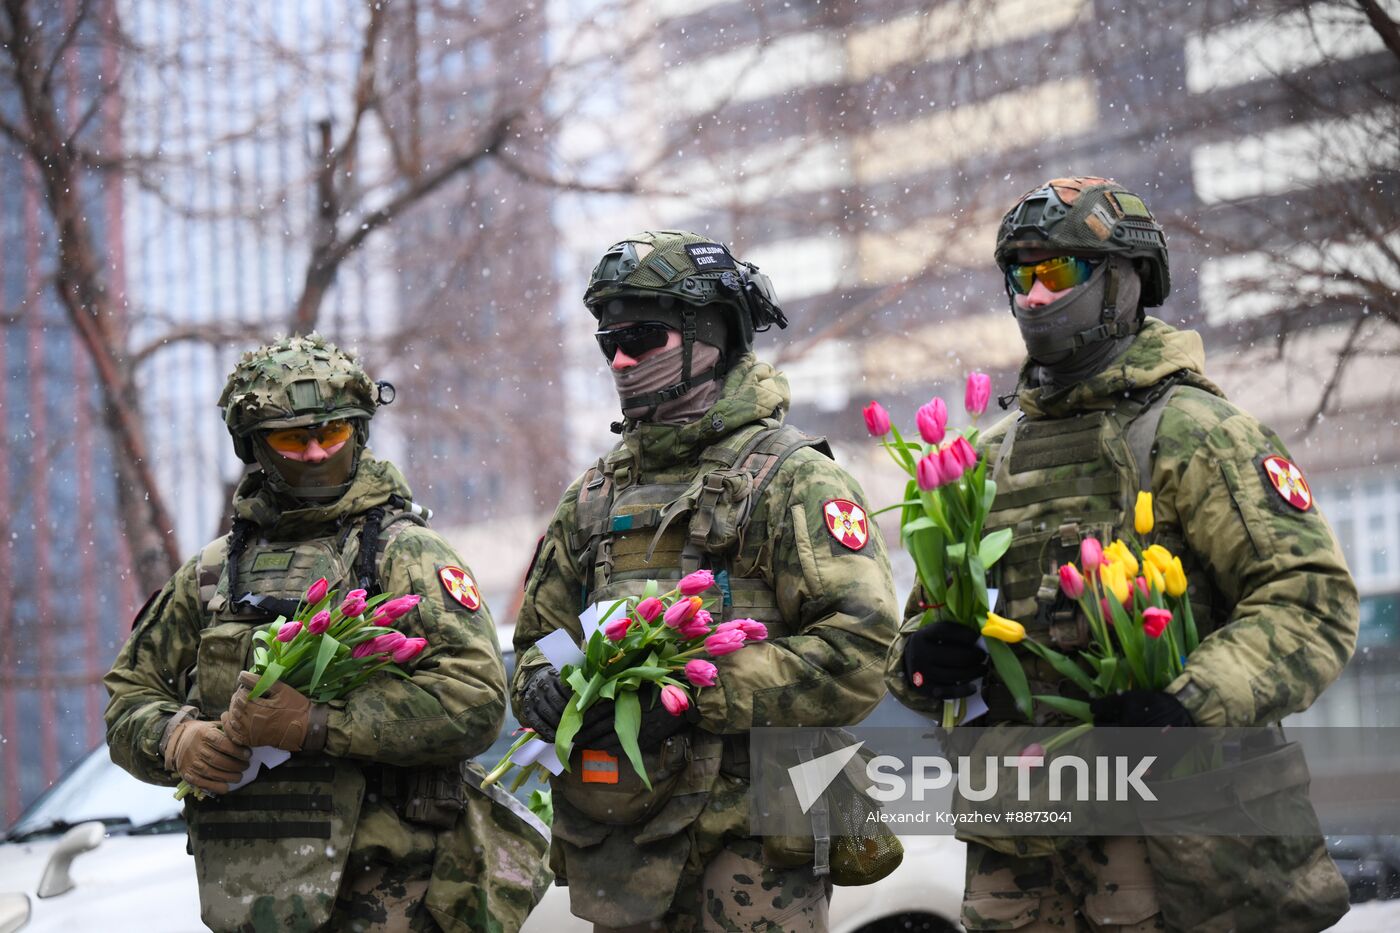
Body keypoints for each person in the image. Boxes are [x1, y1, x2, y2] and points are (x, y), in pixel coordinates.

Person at [884, 177, 1358, 932]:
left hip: (1183, 860)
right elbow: (928, 632)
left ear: (1124, 283)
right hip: (1024, 868)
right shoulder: (979, 462)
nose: (1034, 298)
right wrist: (920, 660)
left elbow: (1311, 605)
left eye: (1058, 272)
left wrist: (1185, 705)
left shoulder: (1200, 434)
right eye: (1020, 275)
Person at [512, 230, 900, 931]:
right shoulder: (594, 496)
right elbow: (543, 637)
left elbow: (861, 653)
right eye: (609, 343)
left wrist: (697, 694)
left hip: (755, 844)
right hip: (625, 839)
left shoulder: (793, 478)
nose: (621, 359)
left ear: (711, 334)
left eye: (643, 337)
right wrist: (542, 682)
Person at [104, 334, 550, 933]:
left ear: (358, 433)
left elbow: (475, 703)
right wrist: (176, 741)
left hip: (396, 894)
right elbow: (129, 697)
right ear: (256, 447)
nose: (314, 453)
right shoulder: (214, 572)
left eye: (331, 433)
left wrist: (317, 725)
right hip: (253, 894)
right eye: (293, 438)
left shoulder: (406, 555)